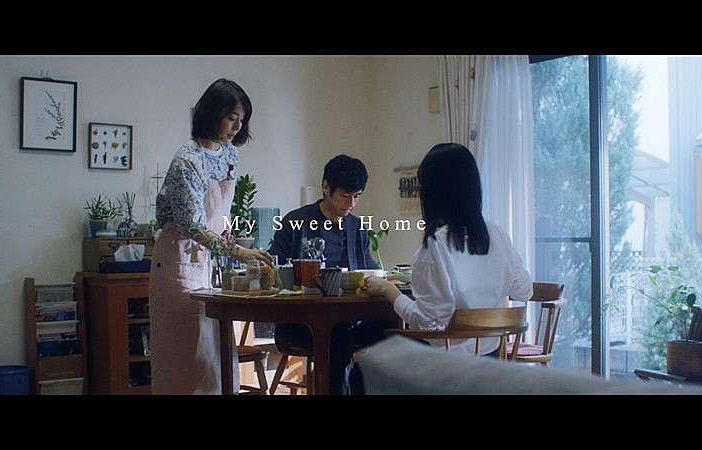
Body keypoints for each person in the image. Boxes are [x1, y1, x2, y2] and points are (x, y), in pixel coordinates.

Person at [355, 143, 533, 393]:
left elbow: (427, 324)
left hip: (447, 367)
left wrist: (389, 292)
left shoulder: (435, 246)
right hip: (491, 362)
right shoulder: (498, 235)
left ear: (432, 193)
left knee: (361, 371)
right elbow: (524, 291)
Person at [149, 78, 274, 395]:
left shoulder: (230, 155)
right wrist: (239, 253)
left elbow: (218, 219)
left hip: (208, 263)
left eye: (241, 119)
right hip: (178, 263)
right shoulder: (187, 159)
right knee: (186, 358)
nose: (237, 126)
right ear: (212, 113)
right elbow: (192, 225)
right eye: (232, 117)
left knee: (216, 356)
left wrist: (234, 244)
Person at [268, 154, 396, 395]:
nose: (351, 203)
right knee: (338, 336)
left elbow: (368, 269)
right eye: (345, 195)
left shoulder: (357, 228)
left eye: (357, 196)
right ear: (326, 187)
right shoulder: (296, 222)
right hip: (303, 323)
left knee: (394, 328)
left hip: (352, 320)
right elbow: (274, 269)